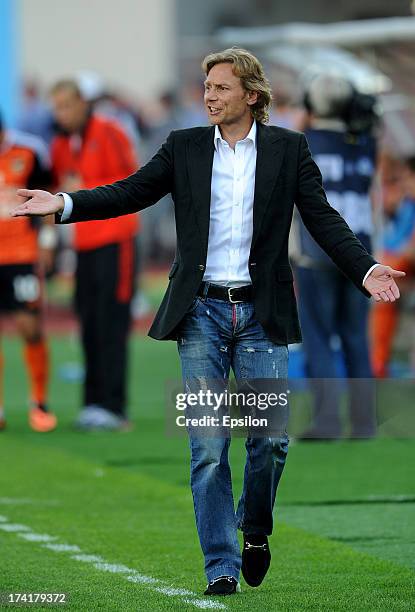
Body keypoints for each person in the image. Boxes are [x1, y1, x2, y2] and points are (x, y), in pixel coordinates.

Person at [12, 49, 405, 596]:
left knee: (269, 442)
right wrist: (60, 202)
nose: (209, 96)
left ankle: (255, 530)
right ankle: (220, 564)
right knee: (208, 445)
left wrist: (364, 267)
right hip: (199, 313)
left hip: (261, 313)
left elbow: (322, 217)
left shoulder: (289, 150)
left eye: (221, 87)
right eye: (206, 86)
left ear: (251, 95)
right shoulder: (184, 148)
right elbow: (129, 191)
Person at [49, 80, 139, 431]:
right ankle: (92, 403)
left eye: (66, 105)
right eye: (56, 107)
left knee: (112, 322)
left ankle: (115, 407)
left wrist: (84, 186)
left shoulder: (109, 131)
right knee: (87, 322)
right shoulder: (61, 143)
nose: (62, 114)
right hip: (83, 242)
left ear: (83, 103)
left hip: (116, 237)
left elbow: (134, 178)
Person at [292, 74, 378, 438]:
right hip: (361, 251)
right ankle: (364, 422)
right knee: (356, 336)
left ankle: (327, 419)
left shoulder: (302, 143)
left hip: (317, 250)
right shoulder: (366, 142)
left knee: (318, 334)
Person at [0, 113, 57, 432]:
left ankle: (39, 402)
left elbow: (47, 200)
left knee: (29, 327)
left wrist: (47, 244)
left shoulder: (29, 152)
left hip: (21, 255)